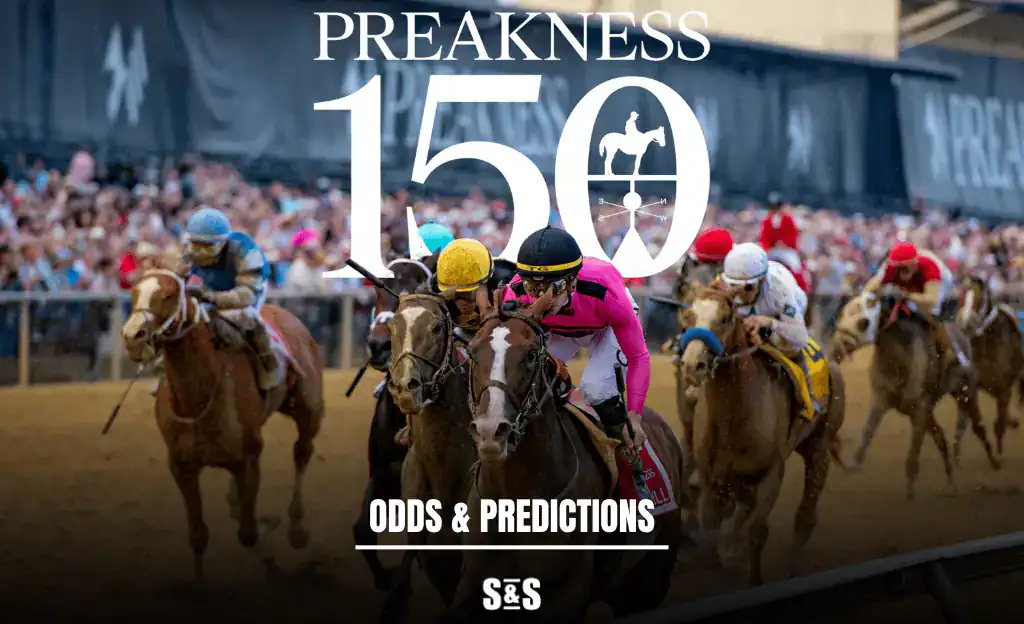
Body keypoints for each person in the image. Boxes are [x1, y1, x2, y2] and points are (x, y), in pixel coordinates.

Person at [502, 226, 651, 499]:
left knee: (596, 388)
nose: (540, 297)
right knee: (536, 376)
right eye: (532, 286)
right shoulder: (514, 293)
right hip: (561, 331)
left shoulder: (604, 288)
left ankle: (633, 471)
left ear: (572, 281)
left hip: (605, 327)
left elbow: (639, 355)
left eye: (551, 287)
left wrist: (635, 413)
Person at [150, 207, 278, 396]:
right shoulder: (190, 250)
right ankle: (166, 365)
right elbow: (178, 275)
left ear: (223, 242)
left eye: (207, 246)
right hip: (212, 288)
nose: (200, 253)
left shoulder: (246, 250)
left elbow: (246, 296)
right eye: (195, 245)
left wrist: (208, 296)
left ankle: (268, 362)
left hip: (248, 289)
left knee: (247, 317)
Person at [721, 243, 821, 425]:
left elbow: (800, 337)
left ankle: (807, 396)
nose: (741, 294)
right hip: (755, 312)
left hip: (780, 312)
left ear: (761, 281)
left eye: (748, 288)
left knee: (789, 347)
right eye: (735, 286)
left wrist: (769, 322)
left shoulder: (780, 291)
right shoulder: (724, 284)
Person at [862, 240, 970, 369]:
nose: (901, 273)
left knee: (930, 315)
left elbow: (931, 300)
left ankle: (955, 353)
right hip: (912, 286)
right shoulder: (890, 267)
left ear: (915, 263)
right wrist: (873, 297)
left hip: (937, 285)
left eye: (905, 268)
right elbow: (869, 290)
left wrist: (906, 295)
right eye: (898, 269)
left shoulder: (930, 267)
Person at [758, 192, 810, 293]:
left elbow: (793, 236)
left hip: (786, 250)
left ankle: (802, 289)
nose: (775, 210)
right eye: (773, 207)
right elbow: (764, 237)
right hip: (772, 250)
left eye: (777, 207)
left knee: (796, 266)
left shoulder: (788, 219)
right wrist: (769, 246)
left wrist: (783, 243)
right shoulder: (766, 221)